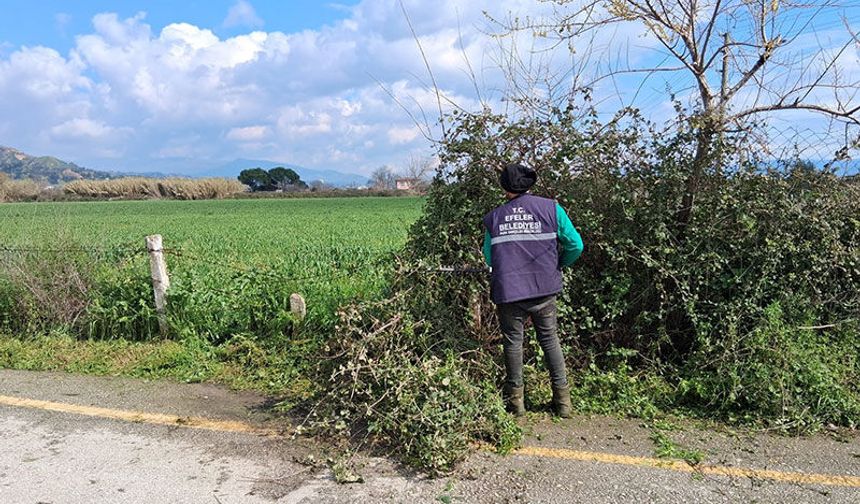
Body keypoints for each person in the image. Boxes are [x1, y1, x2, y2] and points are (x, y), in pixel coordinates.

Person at [482, 163, 584, 418]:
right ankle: (563, 404)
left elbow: (489, 257)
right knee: (550, 340)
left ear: (504, 188)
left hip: (509, 292)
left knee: (513, 344)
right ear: (530, 184)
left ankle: (516, 405)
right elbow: (576, 245)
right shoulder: (552, 209)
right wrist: (559, 264)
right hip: (545, 290)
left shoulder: (494, 217)